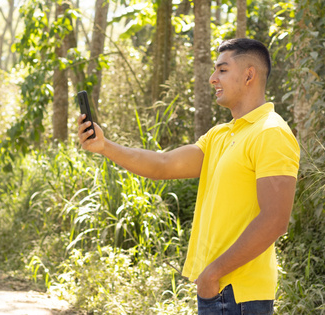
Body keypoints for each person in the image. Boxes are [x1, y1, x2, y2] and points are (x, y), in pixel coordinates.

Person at [77, 38, 300, 314]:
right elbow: (163, 164)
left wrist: (213, 273)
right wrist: (105, 146)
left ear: (249, 75)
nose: (212, 78)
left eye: (222, 70)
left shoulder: (270, 132)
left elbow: (275, 220)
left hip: (241, 295)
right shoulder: (221, 135)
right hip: (217, 291)